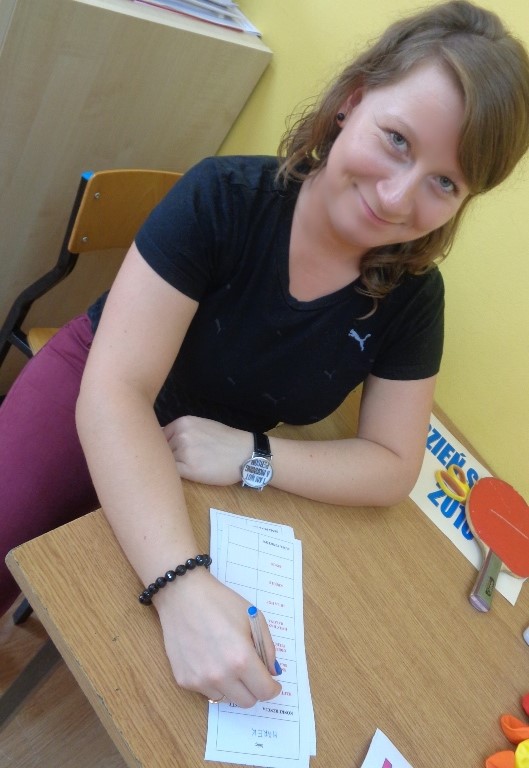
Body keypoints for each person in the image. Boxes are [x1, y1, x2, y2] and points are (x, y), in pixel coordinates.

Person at [1, 0, 529, 708]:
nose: (397, 197)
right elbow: (117, 389)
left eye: (445, 183)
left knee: (131, 663)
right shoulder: (222, 197)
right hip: (99, 384)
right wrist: (181, 585)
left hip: (209, 459)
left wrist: (255, 455)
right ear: (352, 101)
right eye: (397, 140)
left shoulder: (413, 297)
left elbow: (392, 464)